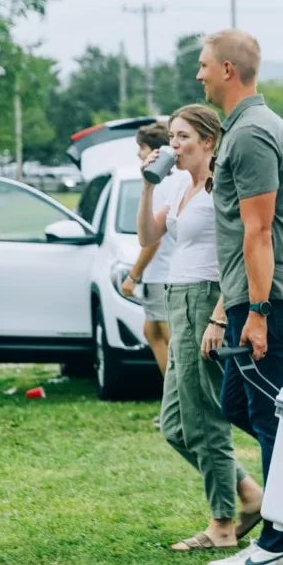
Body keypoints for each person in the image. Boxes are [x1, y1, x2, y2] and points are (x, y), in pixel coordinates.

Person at [196, 30, 283, 565]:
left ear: (226, 69)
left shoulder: (252, 135)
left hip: (265, 295)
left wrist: (262, 314)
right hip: (252, 295)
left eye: (203, 66)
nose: (198, 75)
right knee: (240, 406)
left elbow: (259, 231)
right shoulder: (245, 128)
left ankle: (276, 541)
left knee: (269, 418)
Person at [136, 103, 263, 552]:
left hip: (208, 298)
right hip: (177, 297)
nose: (174, 144)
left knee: (204, 417)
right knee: (175, 424)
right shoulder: (179, 186)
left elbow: (239, 256)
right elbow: (148, 239)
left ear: (209, 142)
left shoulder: (219, 189)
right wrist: (147, 186)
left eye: (184, 136)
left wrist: (220, 315)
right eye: (172, 136)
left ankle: (222, 525)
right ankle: (250, 495)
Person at [121, 122, 174, 381]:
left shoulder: (159, 183)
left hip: (163, 275)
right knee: (151, 332)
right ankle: (170, 398)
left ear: (153, 150)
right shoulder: (168, 180)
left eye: (140, 148)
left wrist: (133, 275)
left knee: (169, 339)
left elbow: (153, 240)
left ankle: (176, 402)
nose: (138, 155)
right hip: (162, 274)